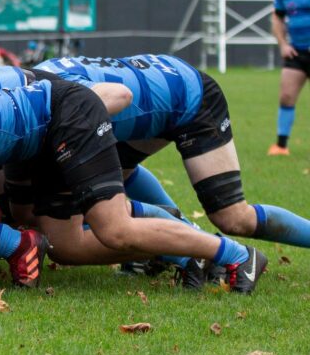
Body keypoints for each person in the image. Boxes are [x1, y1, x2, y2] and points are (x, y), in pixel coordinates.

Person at [35, 54, 310, 261]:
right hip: (155, 95)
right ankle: (183, 237)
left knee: (234, 218)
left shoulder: (56, 99)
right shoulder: (38, 83)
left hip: (190, 98)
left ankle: (199, 244)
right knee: (107, 178)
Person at [270, 0, 310, 155]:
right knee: (286, 96)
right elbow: (277, 17)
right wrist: (283, 44)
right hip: (296, 52)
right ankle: (281, 146)